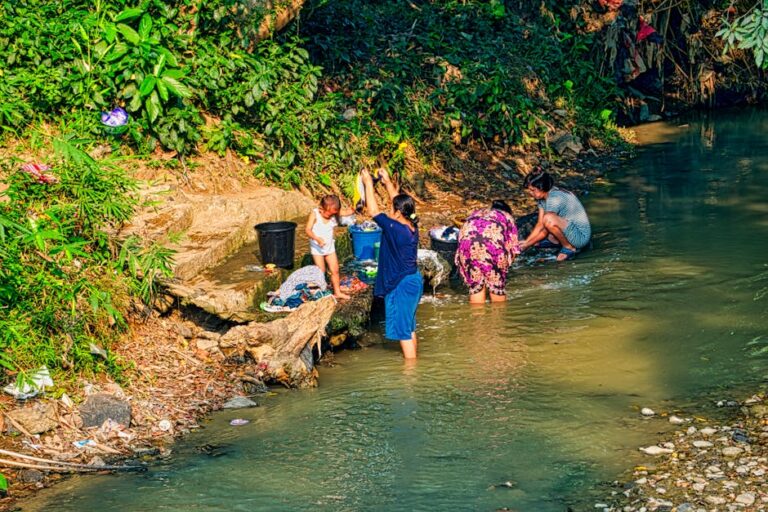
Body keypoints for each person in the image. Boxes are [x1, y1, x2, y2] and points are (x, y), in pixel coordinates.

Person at [360, 168, 422, 359]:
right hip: (414, 280)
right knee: (409, 326)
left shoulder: (394, 228)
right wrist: (387, 182)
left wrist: (368, 183)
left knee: (403, 330)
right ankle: (414, 364)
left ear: (396, 213)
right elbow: (399, 202)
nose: (390, 210)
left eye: (392, 209)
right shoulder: (411, 226)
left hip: (399, 284)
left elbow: (373, 211)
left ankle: (410, 374)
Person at [455, 200, 521, 304]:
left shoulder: (476, 213)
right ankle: (498, 317)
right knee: (496, 286)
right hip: (492, 246)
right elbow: (513, 248)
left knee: (476, 286)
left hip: (467, 246)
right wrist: (503, 270)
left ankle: (478, 317)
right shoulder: (507, 216)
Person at [519, 170, 591, 261]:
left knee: (548, 219)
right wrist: (527, 241)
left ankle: (568, 247)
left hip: (580, 237)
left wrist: (528, 244)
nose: (530, 193)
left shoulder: (554, 198)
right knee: (545, 225)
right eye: (529, 190)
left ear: (542, 188)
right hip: (569, 228)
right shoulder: (543, 197)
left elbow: (546, 225)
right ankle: (557, 241)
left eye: (533, 190)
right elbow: (540, 223)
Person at [305, 194, 355, 300]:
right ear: (322, 208)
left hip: (329, 247)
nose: (331, 216)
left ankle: (337, 292)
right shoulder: (315, 214)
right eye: (329, 214)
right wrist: (317, 238)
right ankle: (320, 292)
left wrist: (354, 208)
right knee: (321, 270)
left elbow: (347, 212)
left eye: (334, 213)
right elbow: (308, 230)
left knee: (335, 270)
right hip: (317, 247)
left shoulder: (334, 213)